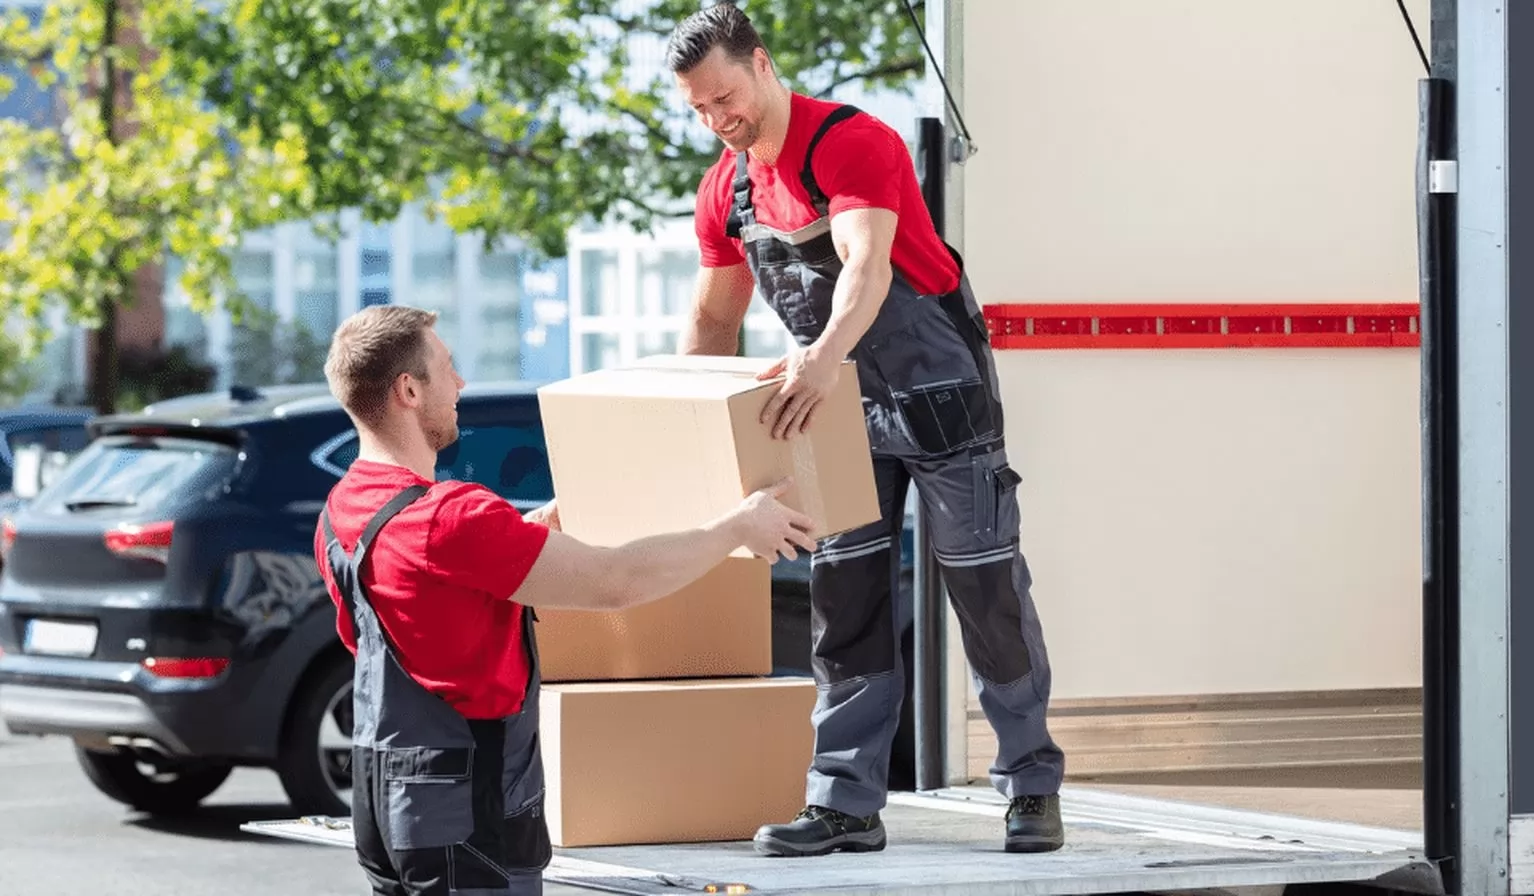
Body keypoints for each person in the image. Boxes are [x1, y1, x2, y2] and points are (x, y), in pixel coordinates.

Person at [665, 1, 1066, 859]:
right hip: (834, 409)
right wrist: (694, 426)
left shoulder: (851, 142)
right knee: (843, 599)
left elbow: (866, 267)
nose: (717, 120)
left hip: (937, 390)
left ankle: (1031, 784)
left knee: (985, 591)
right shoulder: (724, 189)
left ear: (762, 64)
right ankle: (845, 802)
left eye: (725, 97)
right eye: (699, 108)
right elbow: (712, 320)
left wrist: (819, 358)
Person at [313, 304, 817, 895]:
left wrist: (531, 529)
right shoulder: (452, 517)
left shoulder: (342, 511)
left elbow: (427, 605)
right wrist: (738, 528)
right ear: (408, 390)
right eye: (447, 367)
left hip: (384, 802)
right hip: (467, 816)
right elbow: (617, 582)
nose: (461, 384)